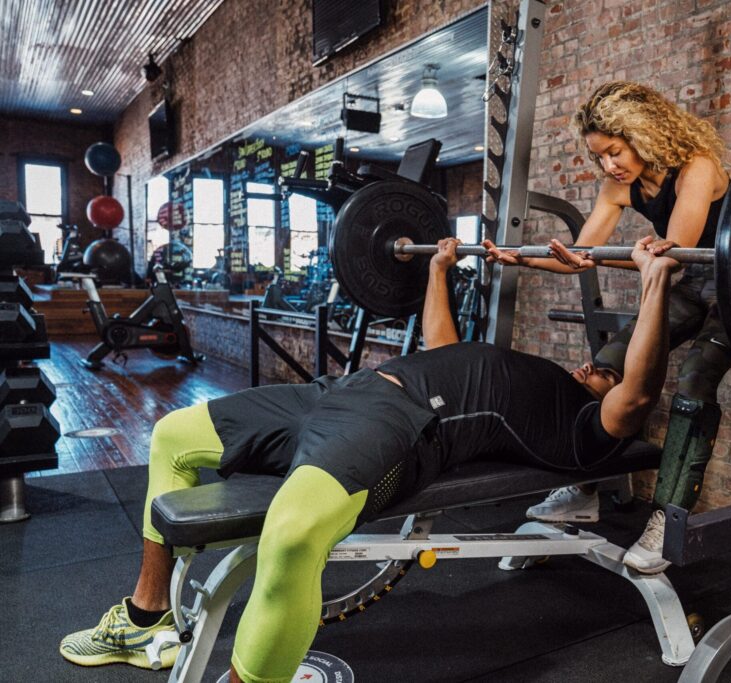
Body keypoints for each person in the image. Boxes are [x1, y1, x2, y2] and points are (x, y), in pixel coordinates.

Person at [59, 236, 680, 682]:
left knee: (295, 532)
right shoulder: (534, 376)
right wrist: (439, 267)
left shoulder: (582, 429)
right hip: (341, 390)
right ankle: (146, 619)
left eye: (601, 371)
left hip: (397, 422)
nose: (586, 366)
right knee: (174, 434)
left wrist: (653, 284)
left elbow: (641, 393)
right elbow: (444, 346)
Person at [484, 81, 731, 574]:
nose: (609, 166)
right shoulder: (617, 187)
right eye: (601, 156)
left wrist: (605, 258)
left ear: (644, 135)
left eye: (615, 152)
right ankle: (582, 489)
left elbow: (673, 253)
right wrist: (525, 259)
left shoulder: (697, 169)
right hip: (686, 284)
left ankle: (669, 518)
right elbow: (583, 254)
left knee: (696, 376)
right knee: (604, 370)